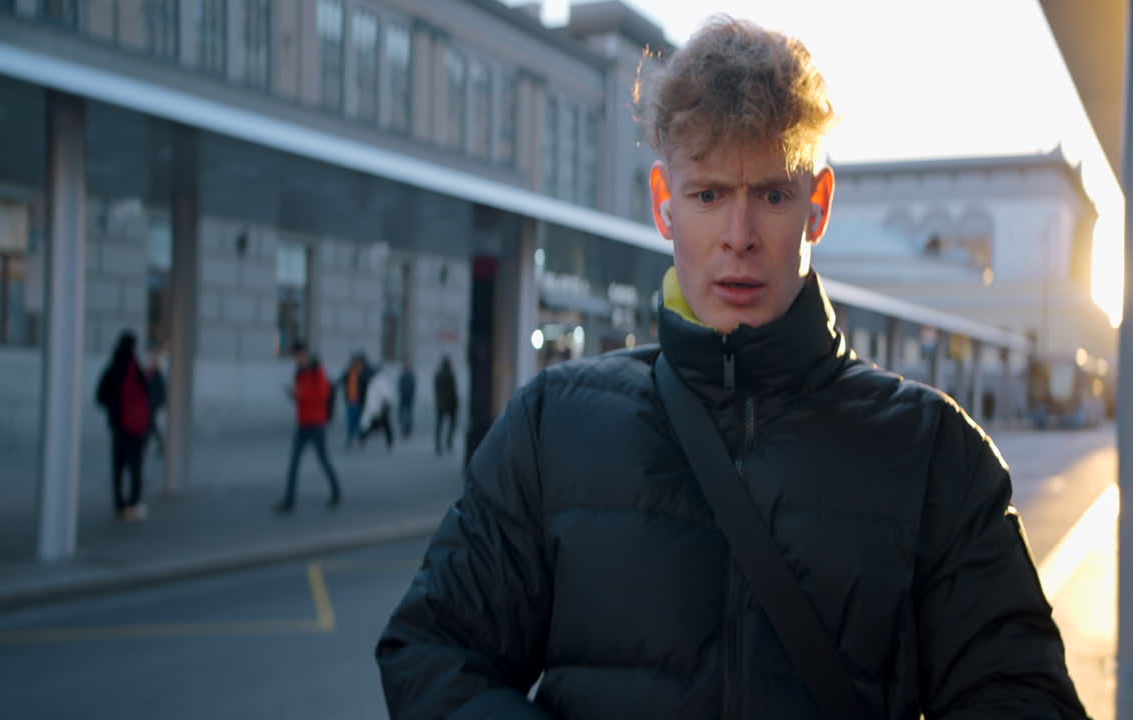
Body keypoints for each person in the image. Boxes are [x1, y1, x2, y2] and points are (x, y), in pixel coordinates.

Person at [376, 17, 1084, 719]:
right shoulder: (552, 427)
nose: (739, 238)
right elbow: (432, 650)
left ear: (819, 206)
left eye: (772, 195)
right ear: (664, 204)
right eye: (708, 195)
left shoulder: (934, 453)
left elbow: (1022, 696)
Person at [276, 341, 342, 513]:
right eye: (295, 357)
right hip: (303, 423)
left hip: (317, 424)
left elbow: (323, 394)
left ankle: (336, 490)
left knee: (323, 460)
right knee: (294, 462)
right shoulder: (300, 372)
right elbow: (301, 396)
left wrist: (301, 395)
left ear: (304, 354)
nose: (297, 360)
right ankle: (289, 500)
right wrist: (294, 396)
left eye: (298, 356)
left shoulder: (316, 370)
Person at [95, 331, 153, 522]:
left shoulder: (113, 368)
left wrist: (114, 408)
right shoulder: (135, 368)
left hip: (118, 426)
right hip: (136, 428)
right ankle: (133, 503)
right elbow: (147, 396)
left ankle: (119, 504)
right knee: (136, 467)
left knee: (118, 467)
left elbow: (100, 397)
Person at [359, 365, 397, 451]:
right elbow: (386, 394)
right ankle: (389, 442)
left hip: (376, 408)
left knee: (376, 425)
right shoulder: (379, 381)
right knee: (383, 426)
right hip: (379, 409)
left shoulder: (375, 381)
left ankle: (362, 438)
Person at [341, 353, 373, 450]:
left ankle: (361, 440)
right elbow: (342, 381)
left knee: (360, 423)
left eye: (358, 362)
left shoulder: (364, 373)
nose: (356, 364)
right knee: (351, 422)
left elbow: (368, 385)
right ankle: (350, 440)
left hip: (360, 402)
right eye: (355, 363)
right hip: (351, 402)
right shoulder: (349, 373)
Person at [143, 345, 167, 458]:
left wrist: (162, 402)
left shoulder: (156, 373)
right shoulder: (148, 372)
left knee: (150, 425)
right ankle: (158, 445)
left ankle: (150, 446)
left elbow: (161, 389)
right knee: (150, 425)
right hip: (148, 403)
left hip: (153, 403)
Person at [432, 355, 458, 456]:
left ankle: (438, 445)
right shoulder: (450, 374)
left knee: (439, 425)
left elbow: (436, 391)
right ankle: (448, 442)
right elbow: (453, 392)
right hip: (450, 405)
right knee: (450, 425)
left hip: (440, 405)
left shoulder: (438, 374)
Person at [397, 360, 416, 438]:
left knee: (408, 415)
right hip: (403, 398)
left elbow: (413, 387)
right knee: (402, 414)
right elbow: (400, 386)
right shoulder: (404, 376)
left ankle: (407, 430)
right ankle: (404, 430)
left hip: (408, 398)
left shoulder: (410, 376)